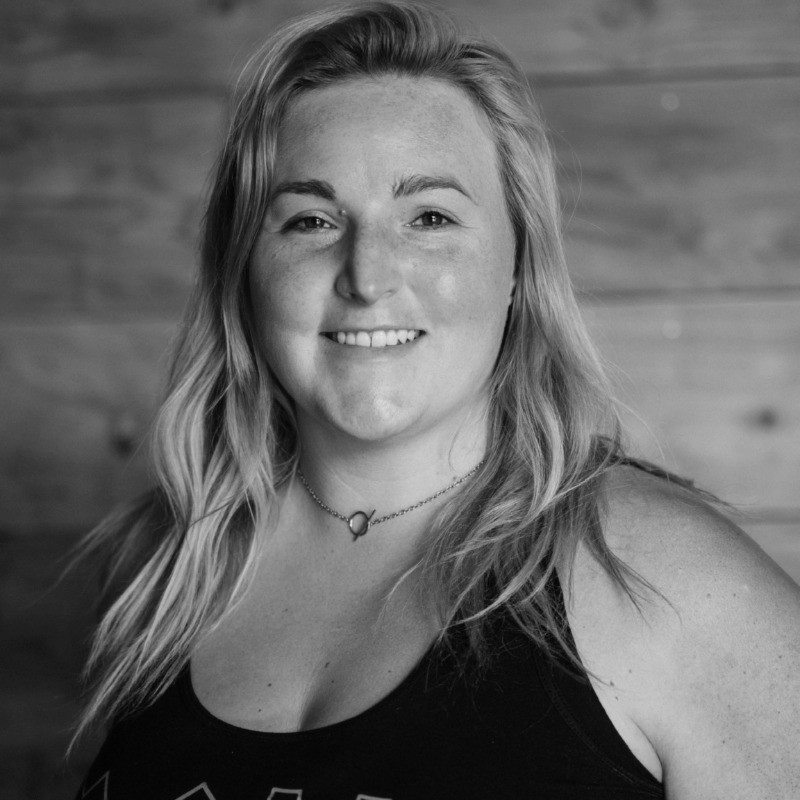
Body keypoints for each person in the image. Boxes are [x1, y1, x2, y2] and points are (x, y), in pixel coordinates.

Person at [73, 3, 800, 797]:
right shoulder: (163, 563)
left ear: (519, 269)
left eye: (429, 217)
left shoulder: (672, 582)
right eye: (311, 220)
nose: (367, 275)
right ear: (243, 271)